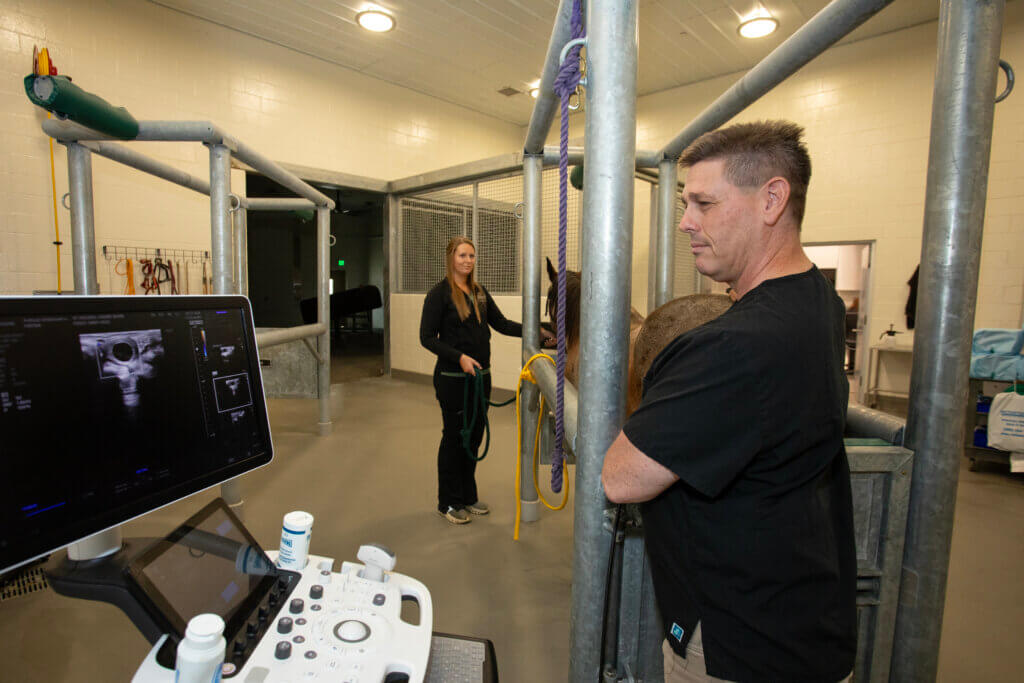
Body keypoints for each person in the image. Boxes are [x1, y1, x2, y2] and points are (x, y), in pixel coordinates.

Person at [602, 121, 856, 682]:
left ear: (772, 199)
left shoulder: (731, 347)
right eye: (686, 203)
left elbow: (621, 478)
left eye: (704, 203)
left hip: (738, 644)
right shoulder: (820, 302)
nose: (686, 221)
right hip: (806, 623)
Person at [420, 237, 531, 525]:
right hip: (453, 379)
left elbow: (503, 324)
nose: (468, 261)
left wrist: (541, 332)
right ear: (451, 259)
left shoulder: (479, 293)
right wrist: (459, 358)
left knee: (474, 436)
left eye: (471, 255)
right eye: (462, 256)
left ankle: (468, 496)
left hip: (481, 378)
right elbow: (427, 337)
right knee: (455, 437)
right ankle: (448, 502)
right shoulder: (439, 294)